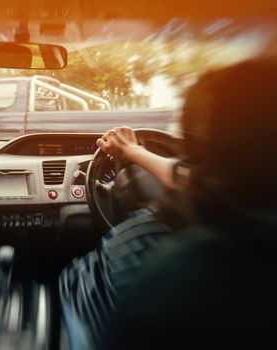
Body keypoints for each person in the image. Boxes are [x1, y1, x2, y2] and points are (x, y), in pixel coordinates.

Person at [60, 57, 277, 349]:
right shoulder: (249, 200)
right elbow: (186, 177)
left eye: (189, 144)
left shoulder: (179, 272)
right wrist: (134, 152)